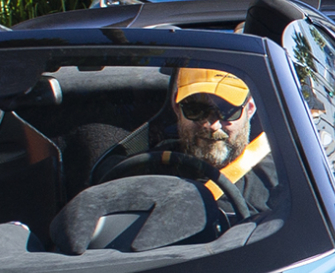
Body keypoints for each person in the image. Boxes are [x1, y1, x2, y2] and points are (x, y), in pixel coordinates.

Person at [92, 65, 279, 225]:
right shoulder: (141, 172)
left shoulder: (284, 179)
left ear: (250, 109)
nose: (211, 125)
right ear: (176, 107)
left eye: (227, 110)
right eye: (196, 109)